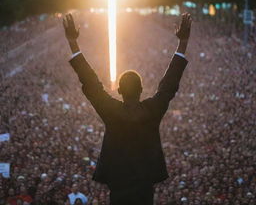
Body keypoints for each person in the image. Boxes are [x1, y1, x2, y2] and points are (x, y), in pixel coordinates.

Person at [63, 13, 192, 205]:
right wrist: (183, 43)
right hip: (145, 184)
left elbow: (91, 84)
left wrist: (73, 43)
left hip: (118, 182)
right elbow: (169, 85)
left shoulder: (111, 111)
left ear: (120, 90)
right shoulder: (152, 110)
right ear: (141, 89)